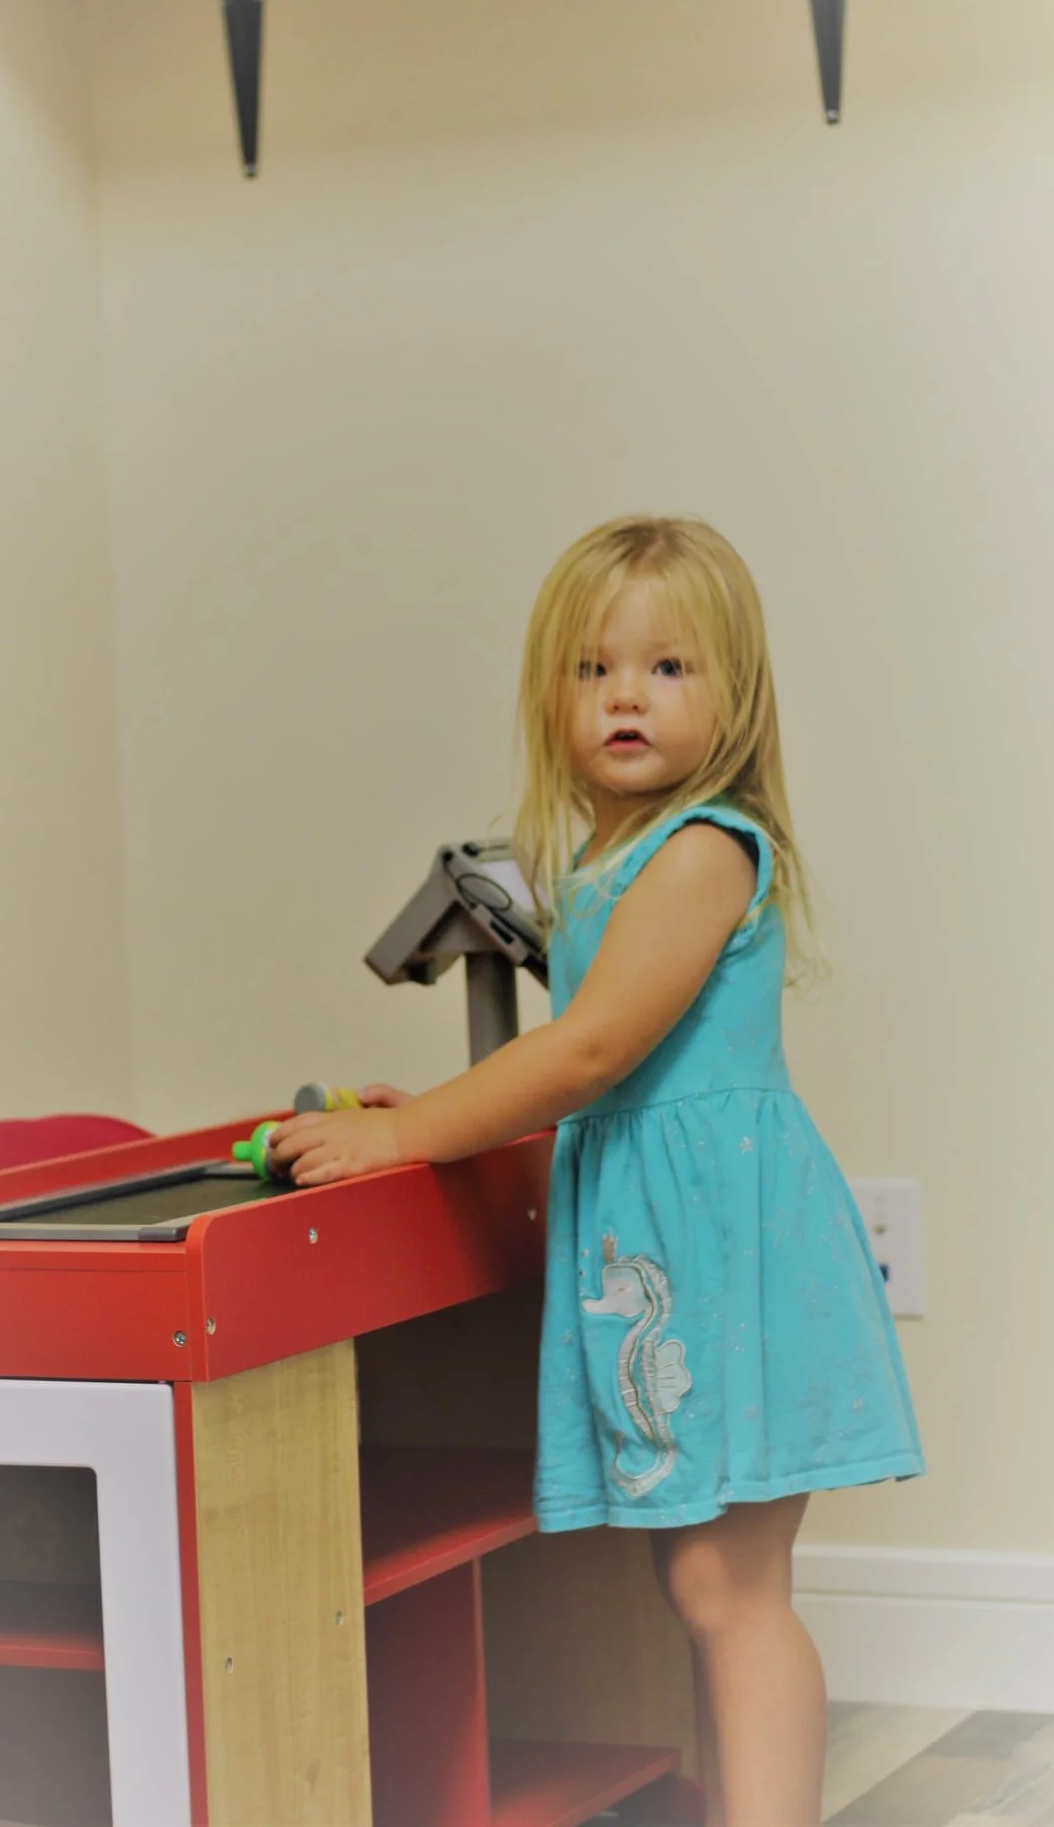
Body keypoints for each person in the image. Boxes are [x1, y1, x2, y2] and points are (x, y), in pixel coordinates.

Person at [270, 515, 925, 1827]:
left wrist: (412, 1135)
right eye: (593, 669)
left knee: (734, 1593)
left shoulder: (702, 849)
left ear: (734, 699)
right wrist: (453, 1112)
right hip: (675, 1256)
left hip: (731, 1255)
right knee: (705, 1586)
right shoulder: (608, 863)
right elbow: (609, 1075)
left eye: (670, 667)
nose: (626, 693)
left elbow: (594, 1051)